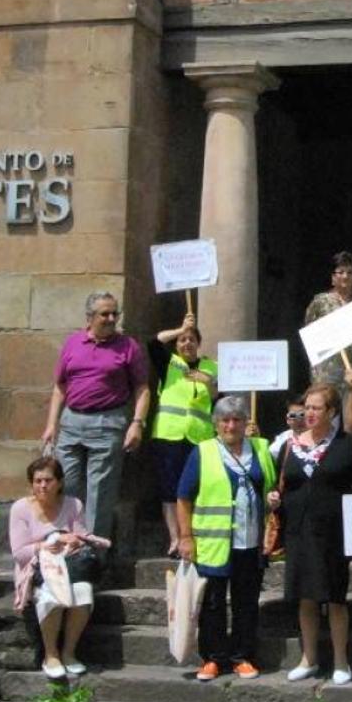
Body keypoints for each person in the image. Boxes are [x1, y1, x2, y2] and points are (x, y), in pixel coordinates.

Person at [176, 396, 275, 681]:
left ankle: (242, 656)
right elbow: (183, 497)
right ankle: (213, 658)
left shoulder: (260, 448)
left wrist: (272, 499)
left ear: (246, 423)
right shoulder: (203, 452)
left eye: (237, 419)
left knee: (246, 601)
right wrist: (185, 537)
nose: (231, 425)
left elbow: (267, 484)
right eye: (225, 420)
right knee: (213, 603)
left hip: (250, 540)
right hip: (213, 542)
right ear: (216, 424)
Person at [42, 291, 150, 539]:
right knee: (64, 486)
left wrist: (137, 424)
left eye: (115, 313)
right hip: (71, 422)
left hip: (108, 423)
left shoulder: (127, 346)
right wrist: (52, 424)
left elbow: (142, 389)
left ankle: (91, 556)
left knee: (100, 493)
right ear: (90, 317)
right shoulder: (72, 343)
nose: (112, 318)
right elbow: (60, 386)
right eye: (105, 314)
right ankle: (65, 545)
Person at [280, 382, 352, 684]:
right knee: (305, 597)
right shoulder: (290, 444)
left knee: (334, 597)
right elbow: (282, 484)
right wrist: (274, 498)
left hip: (334, 533)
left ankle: (341, 662)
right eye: (307, 407)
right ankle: (309, 658)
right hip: (298, 532)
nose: (310, 413)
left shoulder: (346, 444)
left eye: (317, 408)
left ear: (332, 412)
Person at [9, 456, 110, 679]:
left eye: (48, 480)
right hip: (36, 569)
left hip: (70, 565)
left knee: (83, 591)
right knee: (50, 596)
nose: (43, 486)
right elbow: (19, 554)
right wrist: (46, 545)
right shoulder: (20, 509)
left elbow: (82, 536)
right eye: (37, 481)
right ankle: (51, 653)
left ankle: (69, 652)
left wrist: (75, 540)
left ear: (60, 482)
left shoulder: (73, 504)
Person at [148, 312, 217, 556]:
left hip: (199, 437)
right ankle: (175, 539)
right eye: (182, 340)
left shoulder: (211, 367)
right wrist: (181, 328)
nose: (187, 343)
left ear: (199, 344)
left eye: (191, 340)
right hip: (169, 435)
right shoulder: (170, 364)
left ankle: (194, 535)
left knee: (194, 489)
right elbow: (154, 342)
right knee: (169, 489)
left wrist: (208, 383)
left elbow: (221, 397)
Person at [305, 251, 352, 424]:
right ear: (332, 277)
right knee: (327, 426)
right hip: (327, 376)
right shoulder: (320, 302)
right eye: (340, 272)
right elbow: (311, 333)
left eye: (350, 272)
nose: (345, 276)